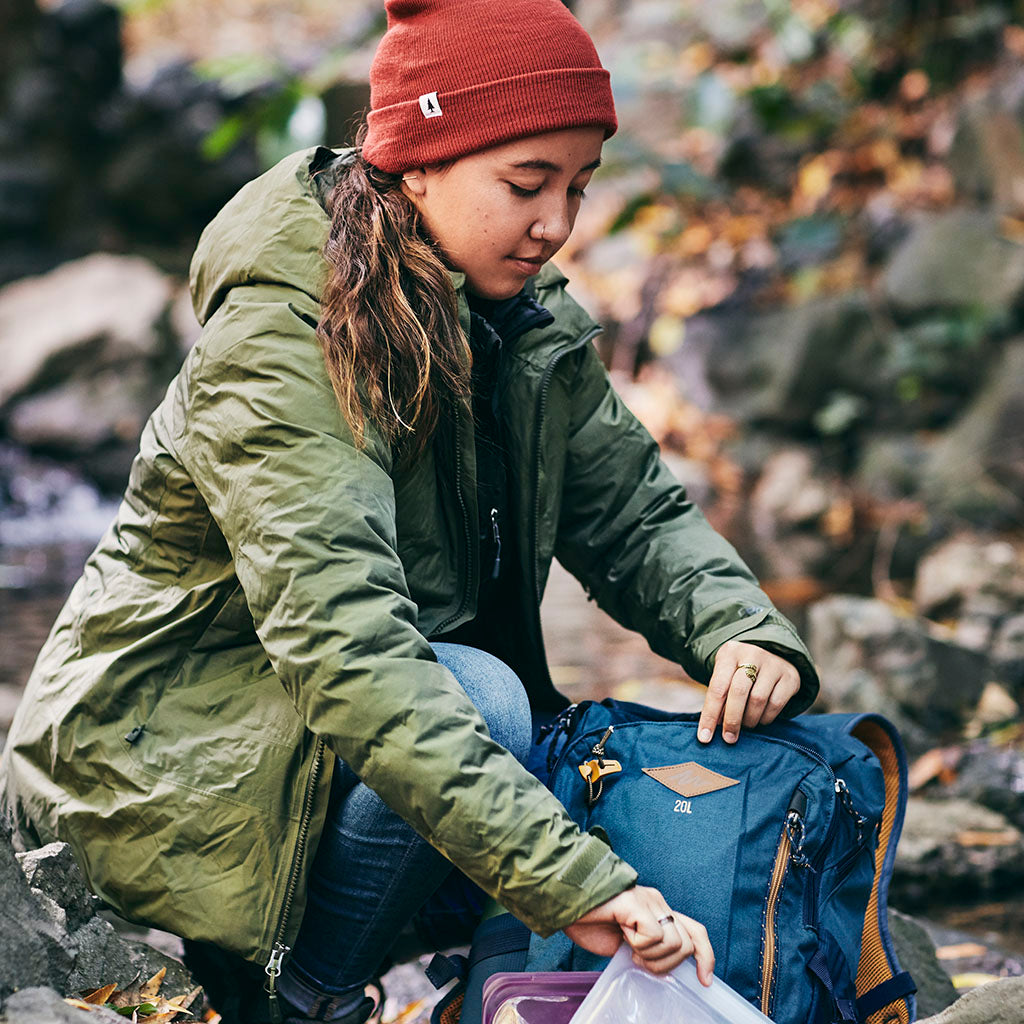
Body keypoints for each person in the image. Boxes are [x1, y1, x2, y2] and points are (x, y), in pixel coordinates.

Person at [1, 2, 820, 1022]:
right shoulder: (285, 330)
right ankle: (311, 999)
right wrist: (577, 884)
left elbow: (635, 514)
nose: (557, 224)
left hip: (331, 753)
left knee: (611, 768)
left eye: (577, 187)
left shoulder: (520, 317)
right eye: (526, 185)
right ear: (416, 160)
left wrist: (738, 627)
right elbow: (348, 649)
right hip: (155, 773)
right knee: (482, 703)